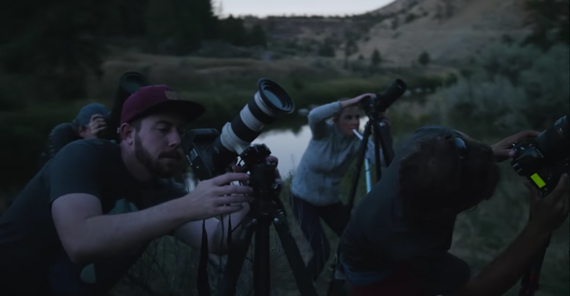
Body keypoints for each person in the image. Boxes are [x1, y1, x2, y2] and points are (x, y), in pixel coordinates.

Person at [0, 85, 282, 296]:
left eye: (180, 130)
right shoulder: (82, 157)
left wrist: (249, 191)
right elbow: (79, 240)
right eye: (163, 128)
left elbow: (219, 239)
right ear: (127, 134)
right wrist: (188, 205)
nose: (176, 140)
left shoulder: (159, 188)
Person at [338, 125, 569, 296]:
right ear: (448, 210)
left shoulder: (428, 139)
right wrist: (538, 228)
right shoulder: (410, 241)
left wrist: (486, 152)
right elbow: (476, 290)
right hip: (370, 273)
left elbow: (457, 138)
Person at [289, 93, 390, 282]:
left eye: (357, 117)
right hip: (302, 198)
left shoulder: (358, 141)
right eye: (348, 117)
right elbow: (314, 116)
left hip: (329, 201)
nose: (354, 122)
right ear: (336, 121)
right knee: (321, 249)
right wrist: (351, 102)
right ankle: (305, 284)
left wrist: (383, 131)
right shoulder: (323, 133)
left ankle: (341, 275)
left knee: (353, 239)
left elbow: (383, 160)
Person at [37, 103, 110, 169]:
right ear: (82, 130)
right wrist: (93, 141)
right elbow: (64, 169)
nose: (102, 136)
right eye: (99, 129)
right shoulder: (62, 135)